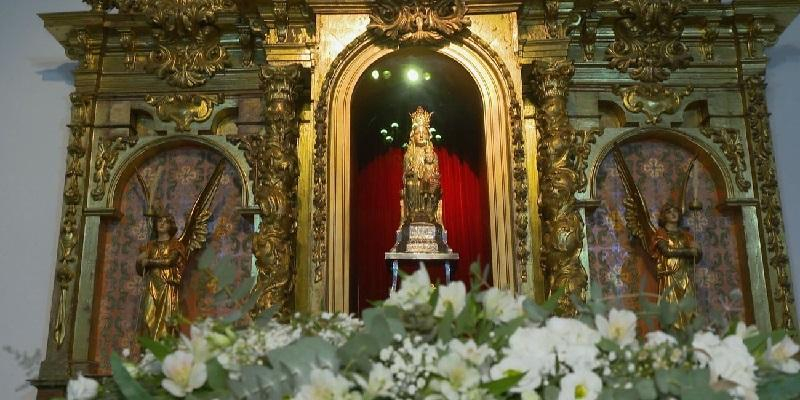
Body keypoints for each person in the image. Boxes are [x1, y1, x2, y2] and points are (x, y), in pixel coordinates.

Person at [135, 213, 188, 339]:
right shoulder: (150, 246)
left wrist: (149, 261)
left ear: (171, 226)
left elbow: (170, 261)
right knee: (148, 317)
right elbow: (139, 269)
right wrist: (139, 261)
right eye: (159, 221)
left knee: (166, 320)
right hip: (152, 285)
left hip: (167, 285)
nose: (162, 223)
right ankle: (148, 350)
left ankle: (164, 347)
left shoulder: (175, 244)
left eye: (165, 221)